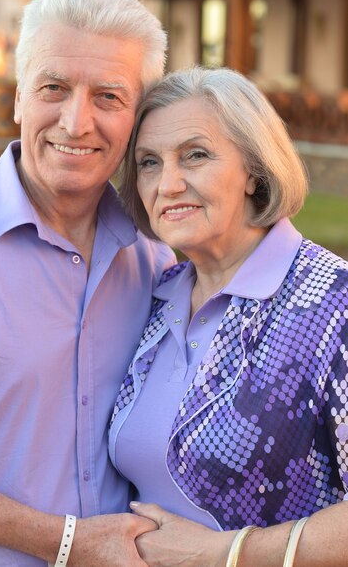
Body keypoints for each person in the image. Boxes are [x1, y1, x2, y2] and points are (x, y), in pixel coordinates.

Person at [0, 0, 176, 566]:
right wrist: (69, 543)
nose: (76, 120)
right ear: (18, 97)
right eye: (54, 88)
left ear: (138, 119)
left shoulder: (159, 260)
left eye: (109, 97)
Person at [109, 66, 348, 566]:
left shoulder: (333, 305)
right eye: (149, 163)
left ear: (255, 171)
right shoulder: (158, 296)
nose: (168, 183)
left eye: (195, 155)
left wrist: (228, 554)